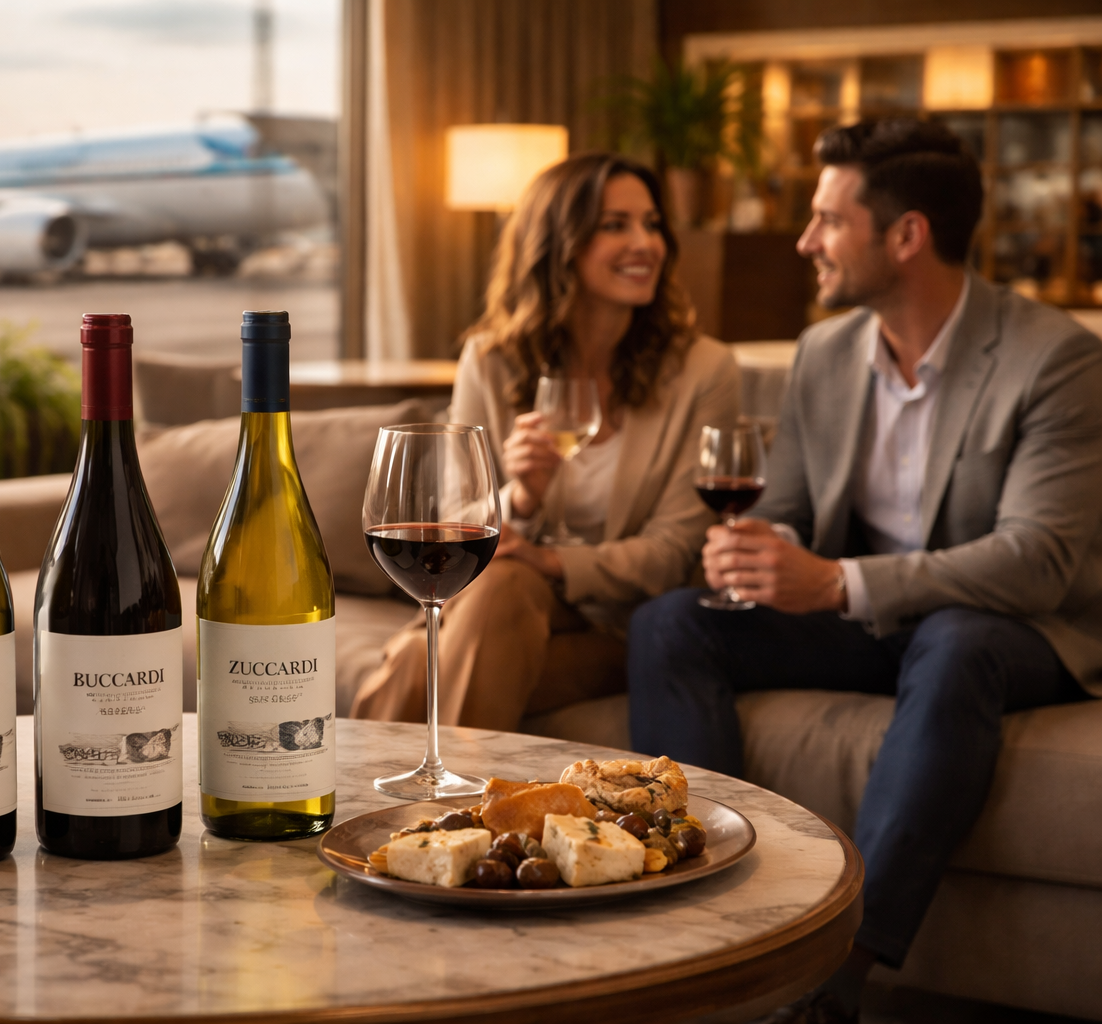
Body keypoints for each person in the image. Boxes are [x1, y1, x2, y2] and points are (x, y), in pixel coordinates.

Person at [626, 119, 1102, 1024]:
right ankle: (706, 920)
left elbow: (1036, 561)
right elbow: (793, 515)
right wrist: (757, 549)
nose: (806, 241)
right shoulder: (826, 353)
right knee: (672, 621)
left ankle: (835, 971)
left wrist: (837, 584)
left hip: (1015, 631)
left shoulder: (1057, 358)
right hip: (868, 624)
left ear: (906, 235)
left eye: (827, 220)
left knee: (957, 643)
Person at [351, 152, 739, 733]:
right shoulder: (491, 359)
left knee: (417, 663)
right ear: (558, 243)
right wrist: (523, 499)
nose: (645, 243)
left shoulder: (703, 369)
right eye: (615, 225)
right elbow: (453, 536)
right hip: (496, 609)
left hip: (621, 628)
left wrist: (550, 560)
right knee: (493, 593)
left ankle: (409, 817)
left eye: (651, 223)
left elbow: (673, 551)